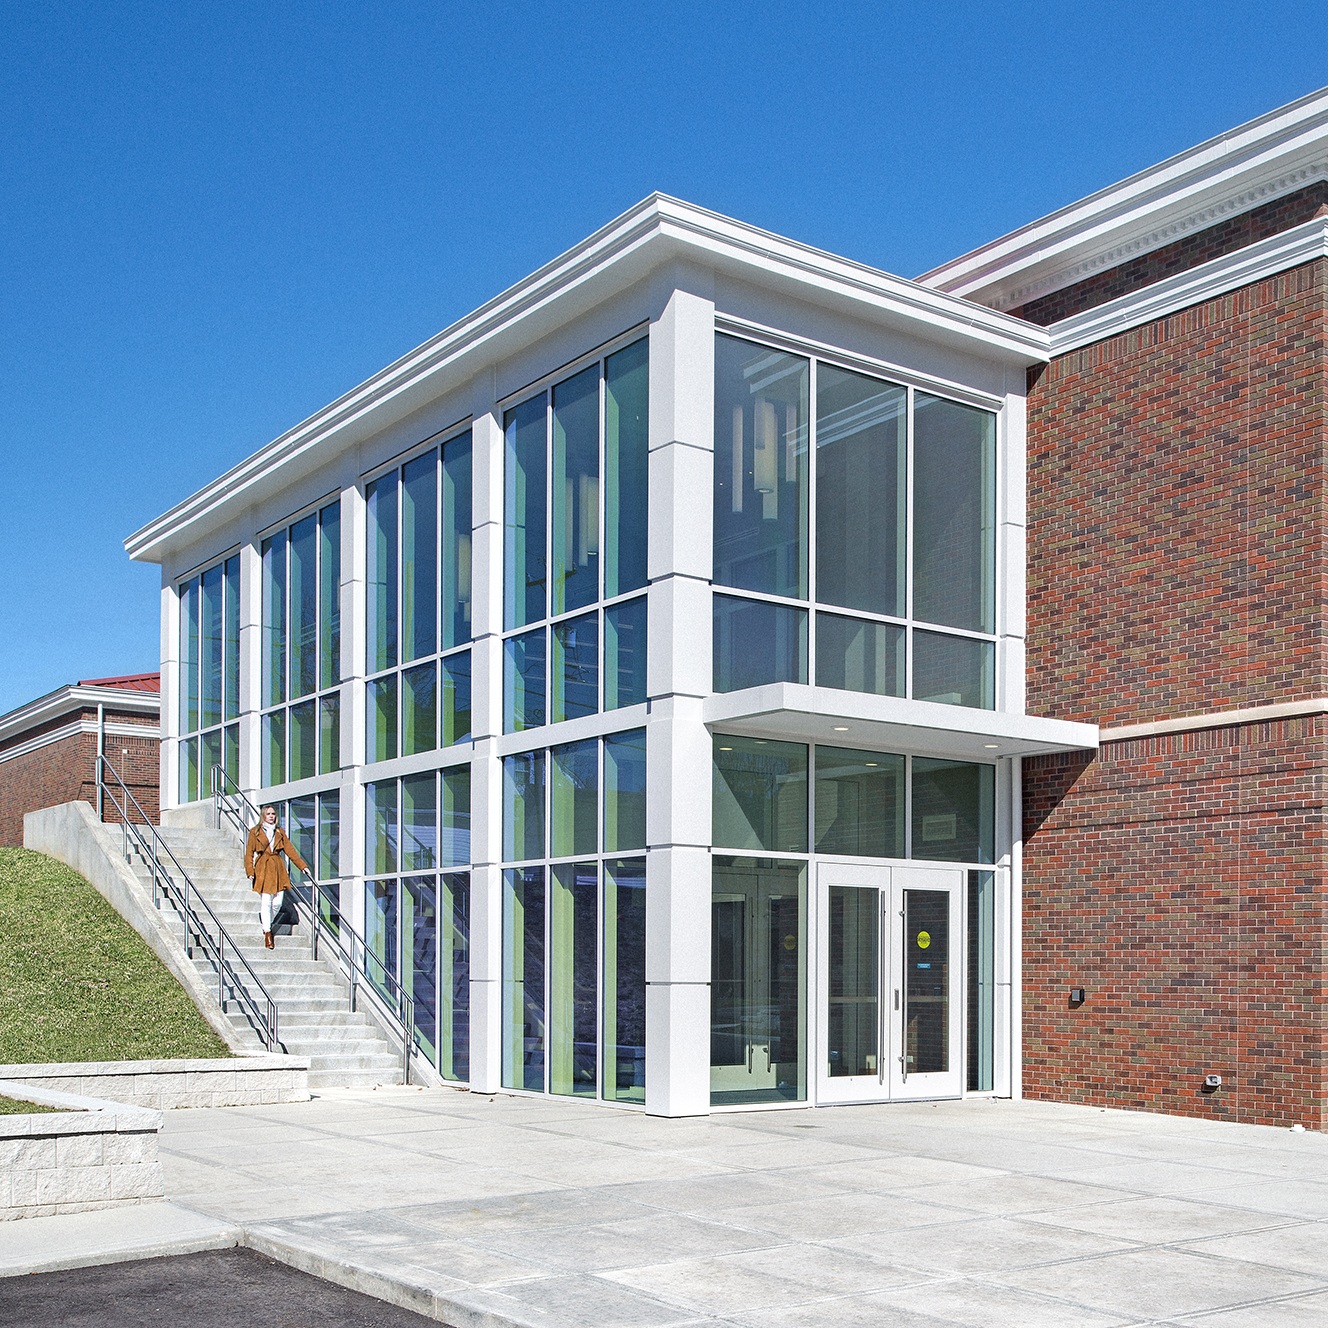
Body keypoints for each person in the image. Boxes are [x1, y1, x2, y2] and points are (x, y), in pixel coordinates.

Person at [244, 805, 309, 950]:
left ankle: (266, 920)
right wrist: (250, 871)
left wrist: (302, 866)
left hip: (278, 867)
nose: (271, 816)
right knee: (266, 901)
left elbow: (290, 850)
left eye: (273, 814)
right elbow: (249, 853)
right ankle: (267, 932)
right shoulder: (255, 832)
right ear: (263, 815)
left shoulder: (279, 832)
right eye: (268, 814)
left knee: (277, 903)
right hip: (263, 867)